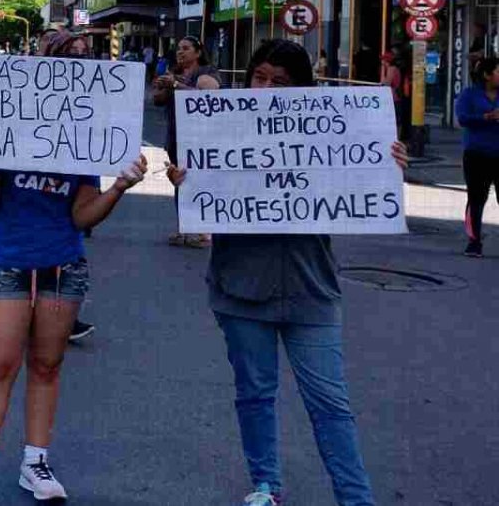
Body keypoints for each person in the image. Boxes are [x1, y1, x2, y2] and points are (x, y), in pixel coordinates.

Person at [166, 39, 406, 506]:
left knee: (330, 405)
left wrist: (385, 166)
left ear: (301, 90)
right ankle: (265, 488)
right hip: (240, 287)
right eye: (259, 77)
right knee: (254, 394)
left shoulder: (324, 135)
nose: (266, 88)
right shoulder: (220, 133)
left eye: (280, 81)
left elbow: (360, 192)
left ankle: (356, 500)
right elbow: (204, 202)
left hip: (310, 289)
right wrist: (187, 183)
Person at [0, 32, 149, 505]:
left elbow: (81, 214)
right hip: (9, 261)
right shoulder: (7, 122)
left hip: (63, 265)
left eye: (85, 60)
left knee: (47, 364)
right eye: (68, 59)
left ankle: (35, 462)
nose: (79, 68)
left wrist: (118, 188)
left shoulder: (86, 137)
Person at [151, 35, 221, 249]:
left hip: (200, 139)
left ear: (198, 52)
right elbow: (158, 100)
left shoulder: (206, 73)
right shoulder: (175, 73)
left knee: (200, 181)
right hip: (176, 137)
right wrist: (163, 86)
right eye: (178, 48)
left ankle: (204, 232)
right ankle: (186, 228)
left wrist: (174, 84)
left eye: (186, 48)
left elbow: (208, 97)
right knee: (180, 182)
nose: (180, 52)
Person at [456, 57, 499, 258]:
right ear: (487, 75)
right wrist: (486, 117)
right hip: (477, 154)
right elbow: (462, 118)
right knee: (476, 198)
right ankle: (474, 241)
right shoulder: (470, 95)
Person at [381, 51, 408, 142]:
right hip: (396, 97)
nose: (382, 63)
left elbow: (387, 83)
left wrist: (382, 80)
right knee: (397, 120)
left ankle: (396, 139)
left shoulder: (391, 69)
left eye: (383, 60)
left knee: (395, 120)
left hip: (393, 98)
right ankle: (397, 138)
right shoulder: (396, 69)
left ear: (386, 61)